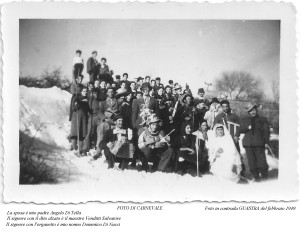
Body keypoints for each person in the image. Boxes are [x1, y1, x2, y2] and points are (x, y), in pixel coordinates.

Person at [240, 103, 270, 182]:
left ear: (256, 110)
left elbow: (266, 132)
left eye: (254, 110)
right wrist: (247, 128)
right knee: (252, 164)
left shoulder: (262, 119)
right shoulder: (244, 120)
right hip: (248, 144)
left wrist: (266, 142)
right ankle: (257, 179)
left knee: (262, 163)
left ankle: (265, 180)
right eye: (250, 111)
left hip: (259, 144)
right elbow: (241, 130)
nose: (253, 112)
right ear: (248, 112)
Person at [96, 87, 121, 153]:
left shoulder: (118, 102)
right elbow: (100, 112)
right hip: (106, 121)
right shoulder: (103, 103)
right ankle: (98, 151)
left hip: (114, 122)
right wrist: (105, 117)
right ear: (107, 93)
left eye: (112, 92)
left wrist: (115, 115)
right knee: (101, 131)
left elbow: (120, 112)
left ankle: (113, 152)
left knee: (115, 136)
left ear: (114, 93)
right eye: (109, 92)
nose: (110, 93)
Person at [69, 87, 91, 155]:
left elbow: (88, 109)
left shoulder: (87, 99)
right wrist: (79, 103)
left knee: (82, 133)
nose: (85, 92)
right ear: (81, 92)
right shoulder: (76, 97)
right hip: (76, 117)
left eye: (86, 91)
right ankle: (74, 146)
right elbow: (73, 108)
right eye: (84, 91)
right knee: (75, 132)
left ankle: (80, 148)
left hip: (84, 118)